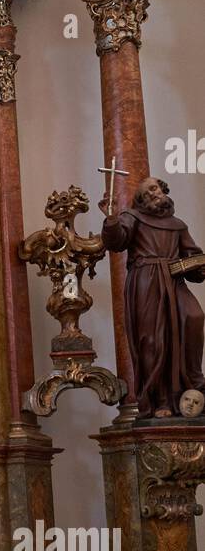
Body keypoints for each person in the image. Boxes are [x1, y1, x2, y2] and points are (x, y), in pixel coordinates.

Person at [100, 176, 205, 417]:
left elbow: (192, 255)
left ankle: (193, 384)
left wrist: (198, 266)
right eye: (148, 193)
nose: (154, 194)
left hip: (174, 280)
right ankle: (161, 400)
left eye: (156, 188)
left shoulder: (178, 224)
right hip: (146, 281)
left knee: (193, 316)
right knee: (153, 340)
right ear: (141, 201)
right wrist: (112, 218)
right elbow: (117, 242)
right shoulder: (132, 218)